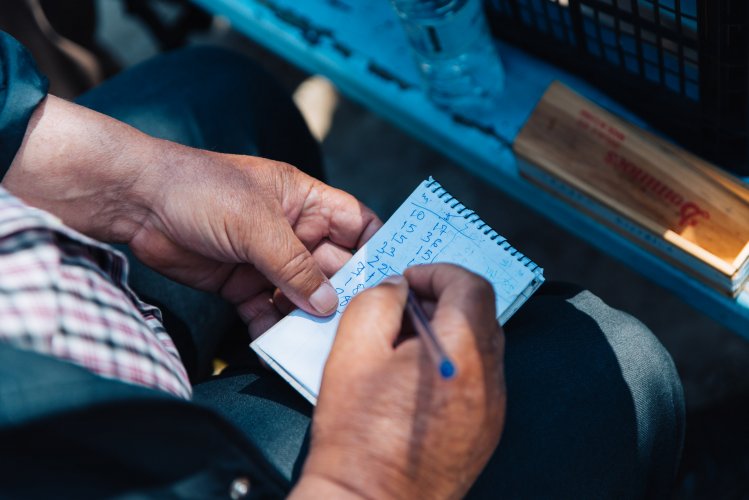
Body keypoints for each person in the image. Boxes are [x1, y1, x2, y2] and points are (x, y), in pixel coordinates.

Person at [0, 31, 685, 498]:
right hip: (110, 463)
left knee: (218, 94)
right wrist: (366, 476)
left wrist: (133, 185)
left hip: (61, 301)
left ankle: (270, 361)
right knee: (603, 367)